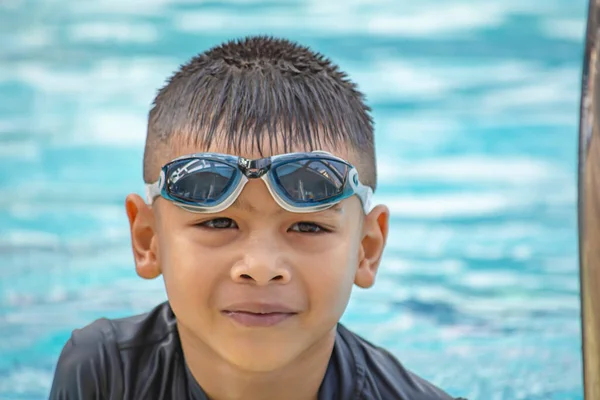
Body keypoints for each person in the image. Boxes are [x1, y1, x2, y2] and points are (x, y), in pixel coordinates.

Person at [49, 35, 463, 400]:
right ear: (147, 240)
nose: (261, 269)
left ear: (366, 250)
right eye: (218, 222)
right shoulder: (104, 374)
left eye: (307, 226)